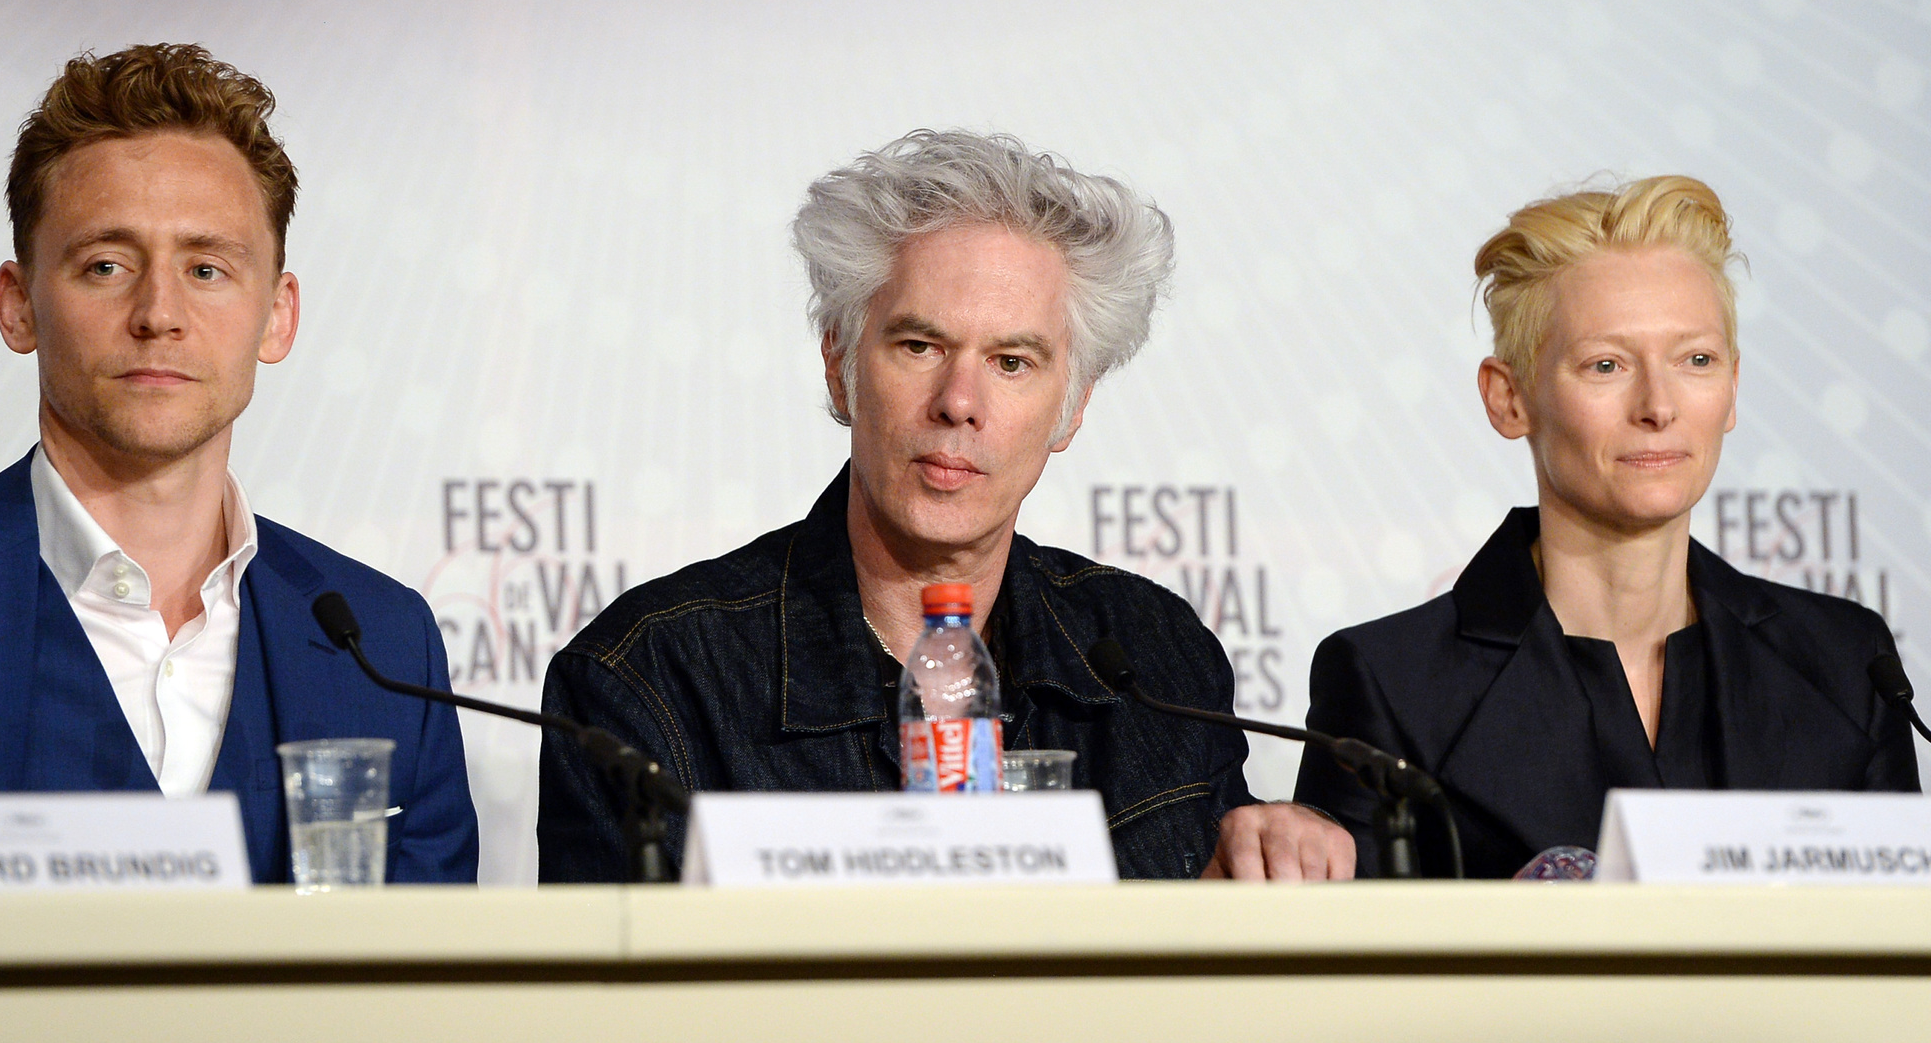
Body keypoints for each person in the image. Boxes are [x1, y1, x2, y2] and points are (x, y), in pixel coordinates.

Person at [538, 129, 1354, 881]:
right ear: (840, 365)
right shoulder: (651, 678)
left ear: (1072, 406)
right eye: (920, 346)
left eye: (1012, 361)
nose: (959, 402)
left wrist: (1254, 874)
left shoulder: (1153, 657)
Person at [0, 43, 478, 884]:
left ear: (277, 317)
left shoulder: (382, 645)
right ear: (18, 306)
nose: (159, 313)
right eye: (106, 266)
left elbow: (426, 998)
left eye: (206, 268)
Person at [1294, 176, 1920, 877]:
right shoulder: (1389, 682)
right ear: (1509, 399)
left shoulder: (1845, 664)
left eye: (1696, 360)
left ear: (1733, 390)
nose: (1659, 405)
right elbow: (1356, 977)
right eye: (1606, 365)